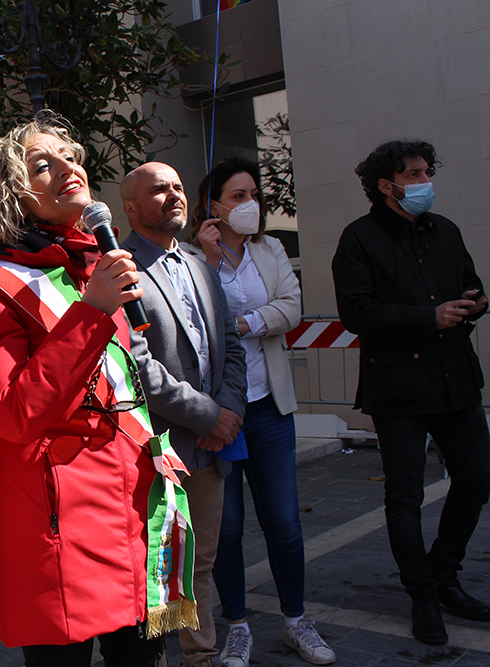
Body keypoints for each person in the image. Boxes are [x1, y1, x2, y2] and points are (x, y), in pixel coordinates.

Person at [0, 114, 171, 666]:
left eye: (70, 156)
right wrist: (92, 311)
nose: (66, 169)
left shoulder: (89, 265)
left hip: (131, 507)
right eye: (41, 165)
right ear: (12, 194)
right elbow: (11, 413)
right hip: (58, 524)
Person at [332, 140, 490, 645]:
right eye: (415, 174)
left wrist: (474, 301)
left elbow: (469, 282)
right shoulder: (358, 239)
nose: (425, 181)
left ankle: (444, 575)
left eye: (426, 172)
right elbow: (358, 313)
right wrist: (428, 316)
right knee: (405, 497)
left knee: (477, 478)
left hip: (455, 380)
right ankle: (423, 596)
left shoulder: (445, 230)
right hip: (398, 388)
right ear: (387, 185)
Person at [184, 157, 334, 666]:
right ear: (214, 205)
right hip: (219, 414)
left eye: (254, 195)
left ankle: (296, 620)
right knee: (224, 528)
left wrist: (246, 324)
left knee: (285, 521)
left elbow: (291, 307)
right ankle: (239, 626)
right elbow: (194, 325)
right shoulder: (190, 257)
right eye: (238, 195)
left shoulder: (270, 251)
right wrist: (209, 260)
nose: (250, 205)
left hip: (268, 407)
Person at [121, 161, 248, 667]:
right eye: (159, 190)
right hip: (157, 449)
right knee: (155, 566)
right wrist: (206, 416)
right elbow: (137, 365)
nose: (174, 195)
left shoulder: (200, 262)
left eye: (178, 186)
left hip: (212, 443)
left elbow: (232, 344)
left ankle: (202, 658)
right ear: (130, 208)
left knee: (202, 563)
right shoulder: (121, 268)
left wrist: (230, 413)